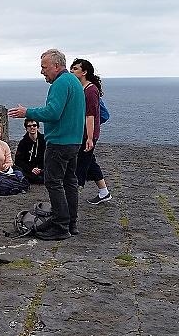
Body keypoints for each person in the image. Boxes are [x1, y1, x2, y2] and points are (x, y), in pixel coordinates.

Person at [8, 49, 85, 239]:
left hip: (59, 142)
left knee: (54, 182)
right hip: (74, 141)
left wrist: (27, 112)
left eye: (44, 67)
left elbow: (53, 113)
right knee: (69, 182)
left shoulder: (60, 83)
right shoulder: (74, 81)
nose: (42, 71)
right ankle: (71, 223)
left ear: (56, 66)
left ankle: (60, 226)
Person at [70, 58, 113, 205]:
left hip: (87, 135)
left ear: (84, 72)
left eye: (75, 69)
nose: (72, 71)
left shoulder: (90, 90)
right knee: (90, 162)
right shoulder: (82, 88)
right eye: (72, 68)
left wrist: (89, 138)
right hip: (83, 133)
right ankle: (104, 192)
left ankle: (71, 200)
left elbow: (90, 115)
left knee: (80, 166)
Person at [15, 118, 46, 184]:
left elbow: (49, 157)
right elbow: (18, 160)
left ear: (37, 127)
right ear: (26, 128)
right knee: (16, 169)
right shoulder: (23, 143)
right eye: (29, 126)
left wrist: (40, 169)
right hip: (29, 170)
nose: (32, 127)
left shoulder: (44, 140)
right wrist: (31, 169)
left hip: (42, 169)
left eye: (34, 125)